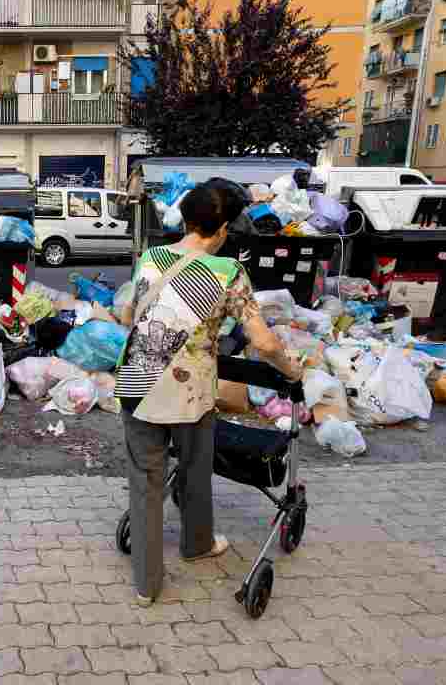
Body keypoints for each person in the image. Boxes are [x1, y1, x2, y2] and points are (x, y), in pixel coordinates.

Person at [114, 181, 301, 605]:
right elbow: (265, 343)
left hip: (137, 384)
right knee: (196, 470)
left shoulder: (150, 258)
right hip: (190, 394)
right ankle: (196, 545)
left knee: (145, 485)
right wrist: (292, 370)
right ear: (221, 230)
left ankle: (147, 585)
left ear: (187, 218)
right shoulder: (228, 272)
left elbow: (128, 314)